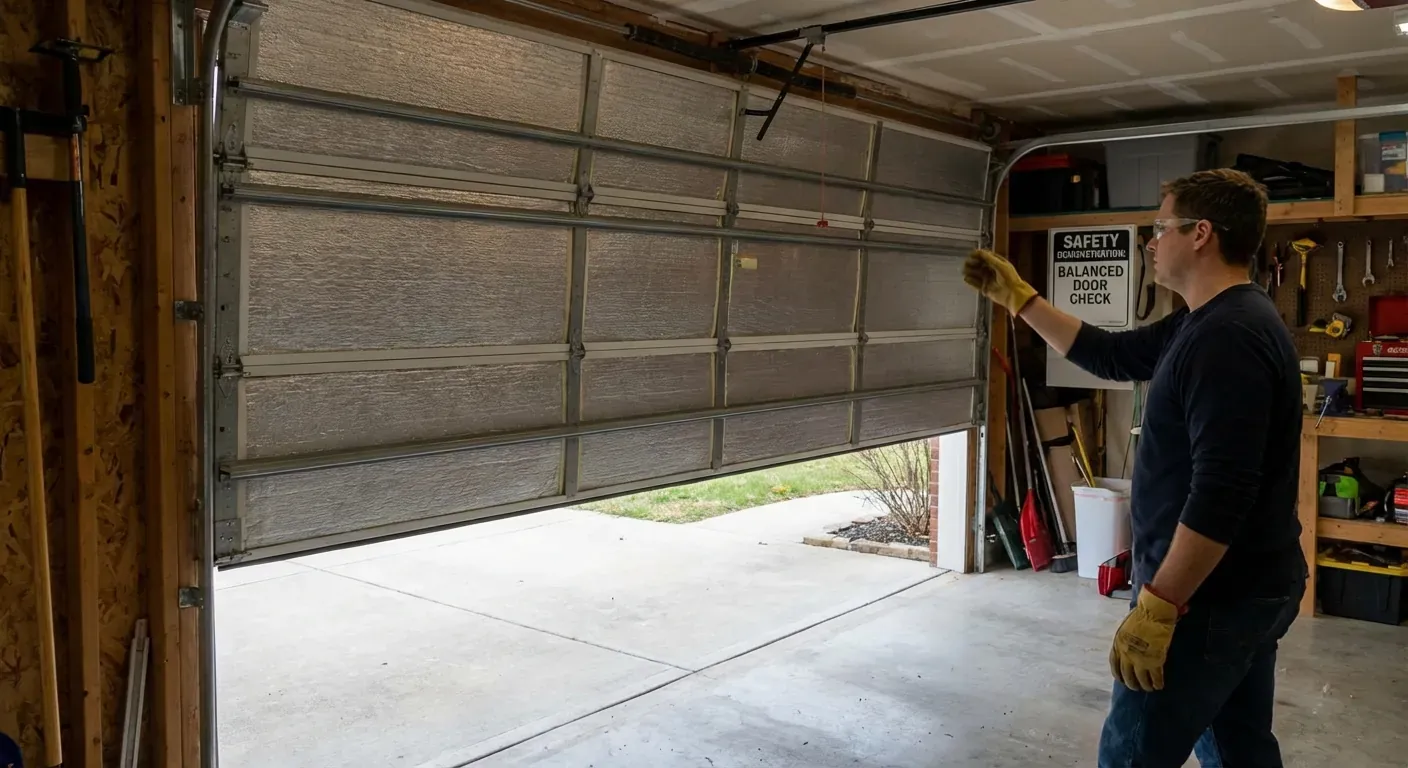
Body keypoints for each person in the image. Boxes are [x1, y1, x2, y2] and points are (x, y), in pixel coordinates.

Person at [963, 168, 1307, 767]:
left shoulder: (1228, 337)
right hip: (1243, 588)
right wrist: (1021, 300)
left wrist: (1160, 603)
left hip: (1206, 600)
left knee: (1133, 755)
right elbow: (1113, 355)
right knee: (1238, 747)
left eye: (1159, 227)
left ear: (1201, 234)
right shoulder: (1208, 318)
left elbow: (1223, 492)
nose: (1150, 242)